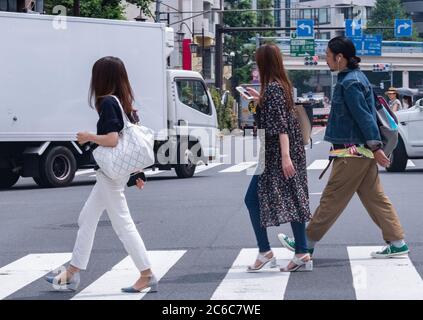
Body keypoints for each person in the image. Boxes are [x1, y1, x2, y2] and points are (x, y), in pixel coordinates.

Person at [278, 36, 409, 259]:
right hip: (360, 151)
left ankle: (305, 243)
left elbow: (364, 117)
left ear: (340, 58)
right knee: (375, 198)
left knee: (331, 198)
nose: (325, 60)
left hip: (352, 152)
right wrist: (374, 148)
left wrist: (376, 147)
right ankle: (397, 242)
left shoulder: (349, 83)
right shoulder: (356, 78)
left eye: (328, 56)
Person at [45, 56, 157, 293]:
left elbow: (114, 140)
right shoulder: (122, 101)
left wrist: (88, 137)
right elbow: (129, 142)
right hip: (110, 174)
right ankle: (72, 272)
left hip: (109, 176)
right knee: (87, 217)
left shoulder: (108, 102)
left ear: (101, 78)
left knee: (123, 225)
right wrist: (136, 173)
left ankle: (146, 273)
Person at [243, 43, 313, 273]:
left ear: (263, 63)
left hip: (278, 154)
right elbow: (274, 118)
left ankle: (266, 251)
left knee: (252, 199)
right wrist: (258, 98)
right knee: (294, 196)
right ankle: (300, 250)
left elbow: (280, 126)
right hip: (283, 152)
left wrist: (285, 157)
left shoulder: (273, 89)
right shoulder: (280, 86)